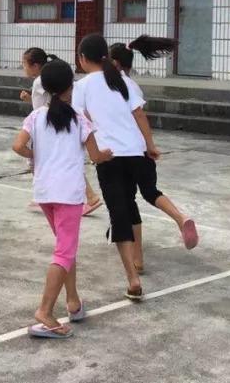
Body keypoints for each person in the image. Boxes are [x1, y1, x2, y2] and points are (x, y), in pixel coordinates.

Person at [73, 34, 197, 302]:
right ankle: (176, 221)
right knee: (138, 200)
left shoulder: (82, 87)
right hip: (137, 152)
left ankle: (133, 279)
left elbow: (81, 122)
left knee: (120, 214)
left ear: (83, 59)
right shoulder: (124, 81)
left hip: (110, 157)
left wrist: (86, 152)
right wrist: (150, 146)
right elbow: (139, 115)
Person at [12, 59, 110, 339]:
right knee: (64, 252)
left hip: (44, 192)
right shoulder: (79, 117)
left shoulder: (36, 116)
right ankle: (45, 311)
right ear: (71, 86)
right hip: (68, 194)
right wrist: (108, 155)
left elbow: (18, 145)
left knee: (65, 248)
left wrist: (36, 157)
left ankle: (73, 302)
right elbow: (95, 155)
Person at [109, 35, 196, 274]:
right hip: (141, 151)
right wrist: (150, 145)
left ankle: (137, 260)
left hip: (123, 152)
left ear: (114, 63)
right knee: (150, 192)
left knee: (128, 202)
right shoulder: (133, 84)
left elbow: (138, 116)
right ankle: (180, 217)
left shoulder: (109, 84)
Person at [20, 47, 103, 217]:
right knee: (65, 161)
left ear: (36, 66)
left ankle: (84, 196)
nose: (24, 68)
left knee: (44, 162)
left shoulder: (39, 82)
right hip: (54, 122)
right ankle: (87, 196)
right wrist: (30, 99)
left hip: (48, 128)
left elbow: (42, 109)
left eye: (24, 64)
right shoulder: (44, 84)